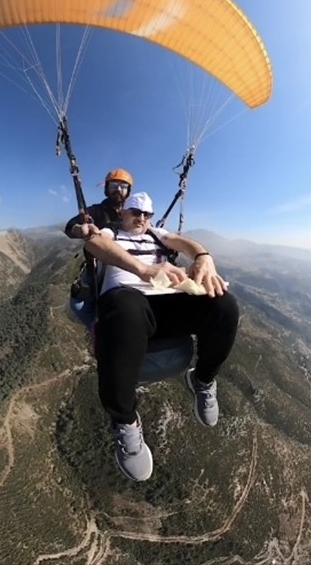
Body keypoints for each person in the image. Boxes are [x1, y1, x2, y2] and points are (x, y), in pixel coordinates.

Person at [83, 191, 239, 482]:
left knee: (224, 305)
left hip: (168, 301)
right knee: (125, 307)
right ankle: (125, 421)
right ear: (123, 213)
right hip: (128, 297)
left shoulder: (157, 234)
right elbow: (94, 243)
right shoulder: (111, 231)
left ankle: (203, 379)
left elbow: (184, 243)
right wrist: (143, 269)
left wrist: (203, 257)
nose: (141, 218)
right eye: (134, 212)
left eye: (146, 214)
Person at [63, 168, 134, 326]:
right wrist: (79, 230)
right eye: (114, 185)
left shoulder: (132, 213)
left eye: (123, 186)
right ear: (106, 189)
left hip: (123, 267)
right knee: (77, 305)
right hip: (95, 268)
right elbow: (70, 226)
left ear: (128, 191)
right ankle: (97, 329)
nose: (118, 190)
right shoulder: (95, 211)